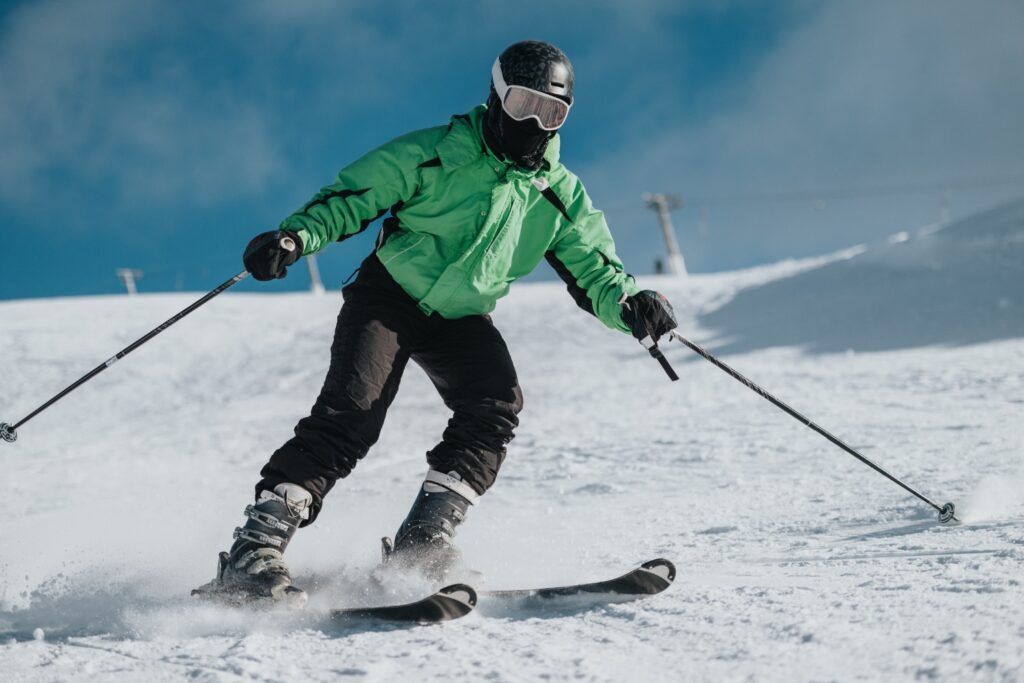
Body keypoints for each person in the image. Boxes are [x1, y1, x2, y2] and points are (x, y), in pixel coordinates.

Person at [197, 40, 678, 605]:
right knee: (353, 413)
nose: (533, 122)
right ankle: (255, 549)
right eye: (523, 104)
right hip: (388, 296)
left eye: (551, 113)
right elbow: (352, 197)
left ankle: (423, 542)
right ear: (496, 97)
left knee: (495, 405)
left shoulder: (557, 194)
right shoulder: (435, 151)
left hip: (461, 315)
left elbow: (595, 268)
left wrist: (631, 304)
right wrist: (295, 237)